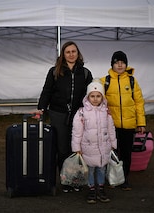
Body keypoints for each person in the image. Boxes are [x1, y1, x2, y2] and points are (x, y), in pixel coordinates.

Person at [35, 41, 93, 193]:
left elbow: (90, 95)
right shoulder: (55, 71)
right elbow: (47, 91)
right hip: (58, 114)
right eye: (68, 52)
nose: (71, 54)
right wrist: (41, 108)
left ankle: (76, 179)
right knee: (62, 149)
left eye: (74, 51)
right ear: (63, 54)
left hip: (78, 115)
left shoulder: (85, 72)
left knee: (77, 148)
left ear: (78, 53)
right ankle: (65, 180)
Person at [100, 51, 146, 191]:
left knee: (126, 153)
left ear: (126, 64)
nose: (120, 65)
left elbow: (139, 103)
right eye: (116, 62)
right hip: (111, 126)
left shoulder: (132, 81)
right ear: (112, 64)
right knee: (111, 153)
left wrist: (141, 123)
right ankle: (111, 178)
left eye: (122, 62)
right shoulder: (104, 81)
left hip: (128, 125)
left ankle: (124, 179)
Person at [71, 80, 117, 204]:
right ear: (88, 97)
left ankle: (101, 189)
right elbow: (77, 131)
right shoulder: (81, 112)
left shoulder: (106, 112)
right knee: (90, 170)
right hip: (88, 148)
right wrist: (76, 147)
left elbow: (111, 129)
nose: (95, 99)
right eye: (92, 96)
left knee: (102, 168)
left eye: (98, 96)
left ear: (102, 97)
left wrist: (113, 144)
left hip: (104, 148)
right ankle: (91, 190)